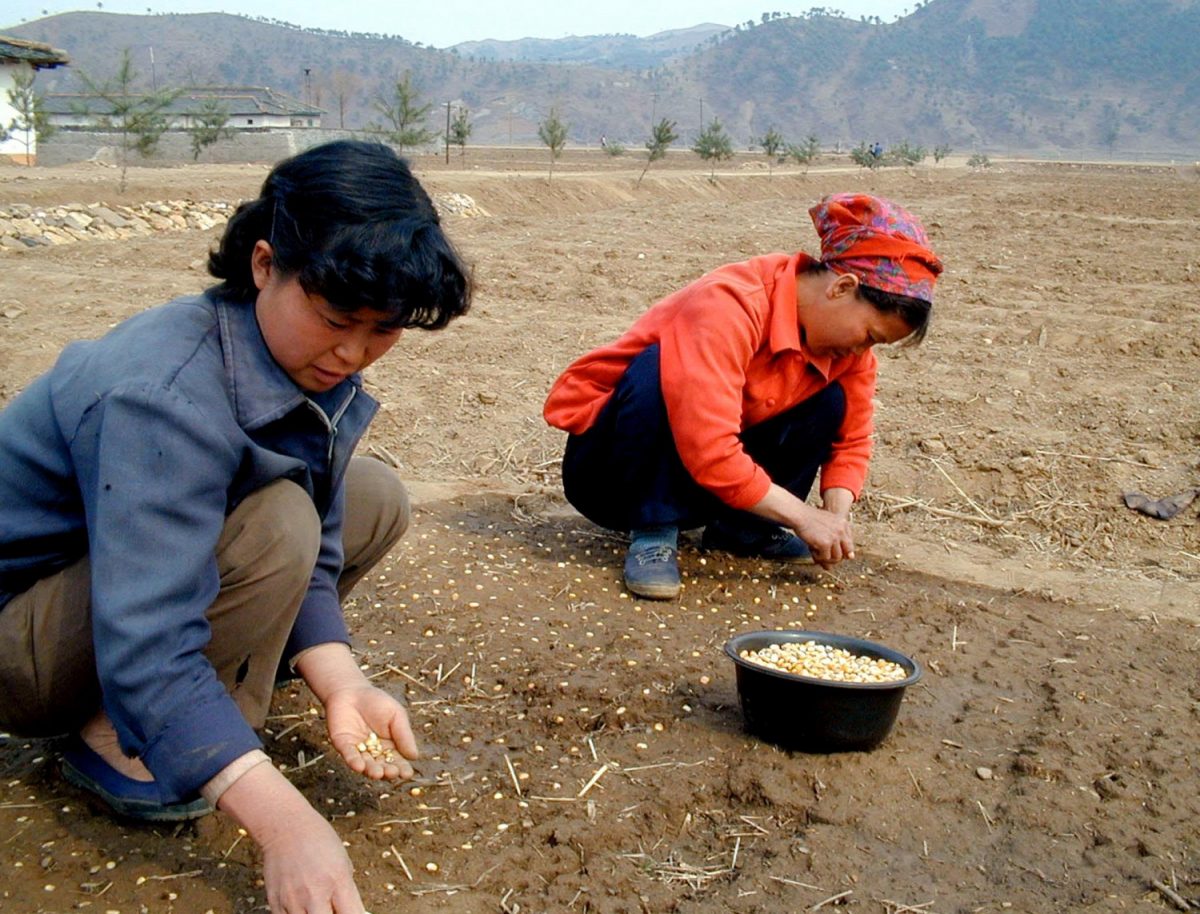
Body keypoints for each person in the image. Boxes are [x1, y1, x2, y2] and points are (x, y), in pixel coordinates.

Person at [0, 140, 471, 913]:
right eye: (335, 319)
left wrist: (342, 682)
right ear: (263, 265)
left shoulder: (282, 355)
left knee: (372, 493)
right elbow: (149, 639)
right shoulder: (166, 393)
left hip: (112, 581)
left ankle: (202, 707)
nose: (354, 354)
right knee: (275, 520)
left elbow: (322, 532)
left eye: (382, 331)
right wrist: (286, 826)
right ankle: (120, 741)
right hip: (18, 640)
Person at [543, 193, 942, 600]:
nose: (862, 352)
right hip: (612, 477)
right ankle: (653, 526)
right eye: (868, 336)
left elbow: (852, 440)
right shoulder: (730, 303)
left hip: (708, 486)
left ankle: (743, 530)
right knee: (658, 366)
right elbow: (709, 448)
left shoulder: (850, 354)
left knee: (829, 401)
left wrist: (834, 518)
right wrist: (803, 516)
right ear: (842, 287)